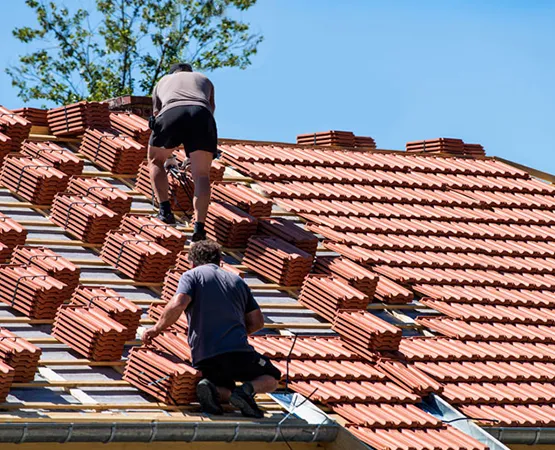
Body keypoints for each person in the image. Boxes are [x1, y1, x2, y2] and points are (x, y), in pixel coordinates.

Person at [142, 240, 281, 418]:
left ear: (192, 263)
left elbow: (179, 303)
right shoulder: (237, 281)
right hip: (238, 352)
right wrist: (235, 334)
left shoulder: (191, 275)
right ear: (219, 260)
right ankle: (246, 391)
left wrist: (156, 328)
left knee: (223, 386)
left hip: (205, 356)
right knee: (272, 377)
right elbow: (257, 322)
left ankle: (213, 388)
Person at [148, 62, 217, 241]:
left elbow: (157, 115)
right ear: (189, 72)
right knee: (201, 175)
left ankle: (165, 211)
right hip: (202, 115)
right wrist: (192, 153)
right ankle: (199, 228)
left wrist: (168, 156)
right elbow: (211, 109)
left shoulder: (163, 81)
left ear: (173, 73)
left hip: (171, 113)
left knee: (155, 161)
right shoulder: (204, 79)